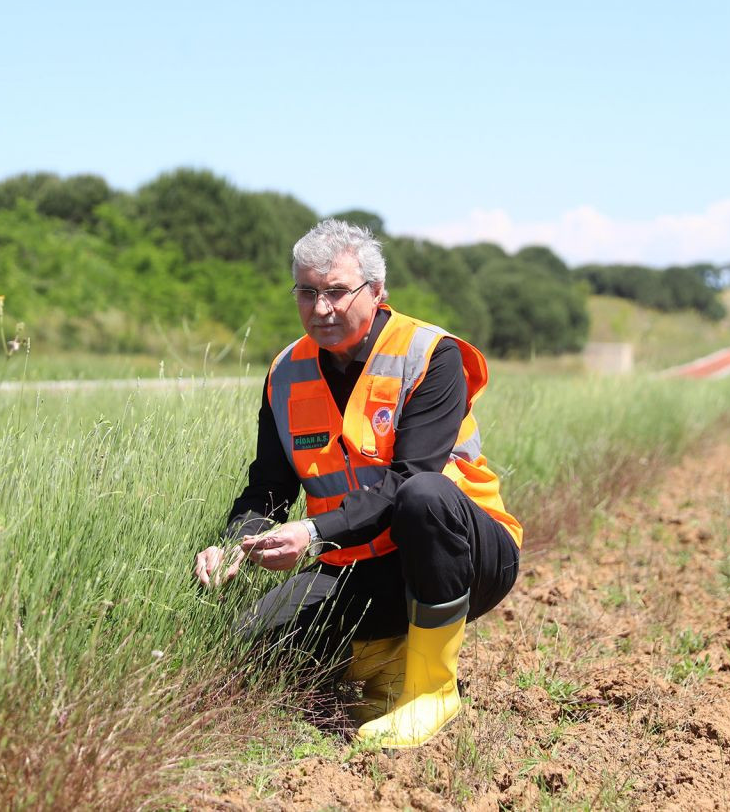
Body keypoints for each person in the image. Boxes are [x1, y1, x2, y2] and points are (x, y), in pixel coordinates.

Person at [193, 218, 522, 748]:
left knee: (425, 496)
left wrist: (311, 533)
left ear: (376, 291)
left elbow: (410, 478)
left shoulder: (430, 356)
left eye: (337, 292)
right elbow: (268, 489)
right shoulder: (285, 372)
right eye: (307, 291)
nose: (321, 308)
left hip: (464, 553)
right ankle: (386, 652)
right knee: (250, 648)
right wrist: (238, 542)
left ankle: (430, 689)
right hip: (358, 563)